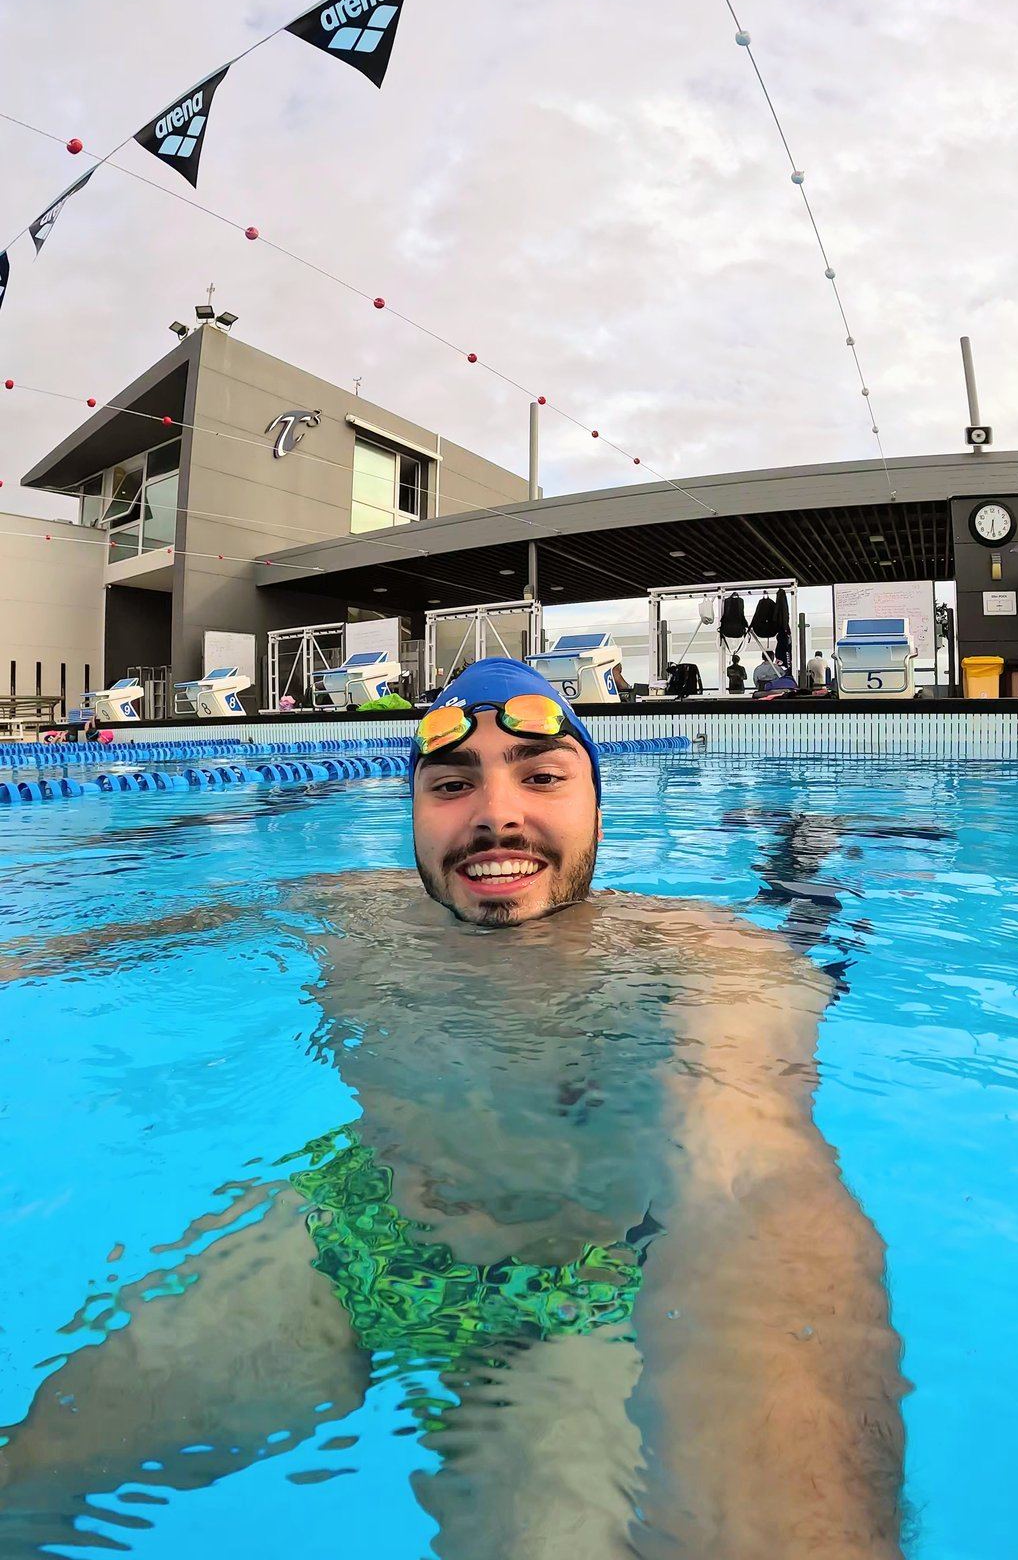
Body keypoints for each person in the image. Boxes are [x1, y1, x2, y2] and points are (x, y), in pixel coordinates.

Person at [0, 660, 905, 1558]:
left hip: (579, 1293)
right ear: (415, 812)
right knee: (22, 1488)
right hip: (349, 1227)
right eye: (452, 783)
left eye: (542, 776)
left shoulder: (705, 957)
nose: (496, 813)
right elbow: (143, 932)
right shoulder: (351, 910)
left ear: (598, 807)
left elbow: (755, 1174)